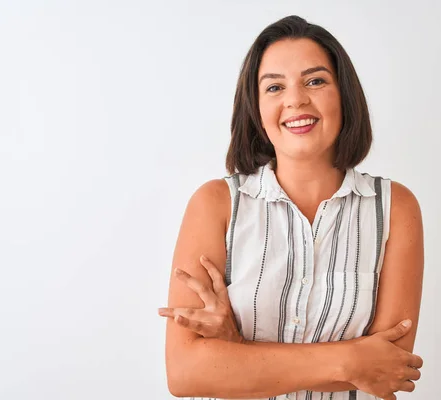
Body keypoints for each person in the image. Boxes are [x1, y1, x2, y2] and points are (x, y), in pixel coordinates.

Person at [158, 15, 424, 400]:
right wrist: (350, 361)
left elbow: (390, 369)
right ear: (256, 107)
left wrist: (236, 350)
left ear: (343, 95)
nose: (295, 99)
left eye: (315, 81)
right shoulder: (215, 204)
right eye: (274, 87)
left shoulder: (396, 207)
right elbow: (185, 374)